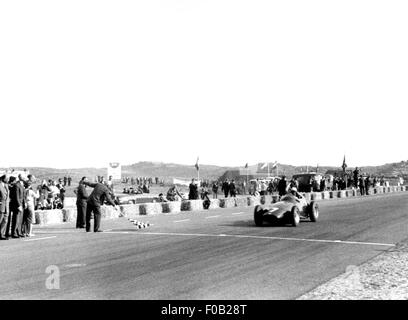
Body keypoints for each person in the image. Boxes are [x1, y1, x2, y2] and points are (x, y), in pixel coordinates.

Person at [9, 174, 26, 238]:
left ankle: (19, 232)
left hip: (22, 204)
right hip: (18, 204)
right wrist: (19, 205)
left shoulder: (22, 184)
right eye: (23, 177)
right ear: (20, 178)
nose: (25, 178)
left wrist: (25, 203)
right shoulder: (17, 185)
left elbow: (23, 195)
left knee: (20, 219)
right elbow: (17, 196)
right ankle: (14, 233)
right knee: (16, 219)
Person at [0, 174, 10, 240]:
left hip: (6, 206)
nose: (8, 180)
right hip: (1, 205)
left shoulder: (6, 185)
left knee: (5, 221)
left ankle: (1, 234)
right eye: (7, 178)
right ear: (3, 179)